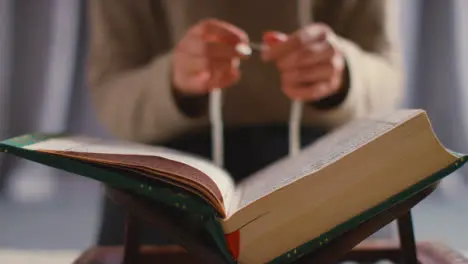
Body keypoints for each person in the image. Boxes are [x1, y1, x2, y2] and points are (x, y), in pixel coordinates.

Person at [87, 0, 404, 245]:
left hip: (324, 152)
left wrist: (344, 73)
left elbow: (385, 76)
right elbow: (112, 91)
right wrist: (171, 81)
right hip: (173, 162)